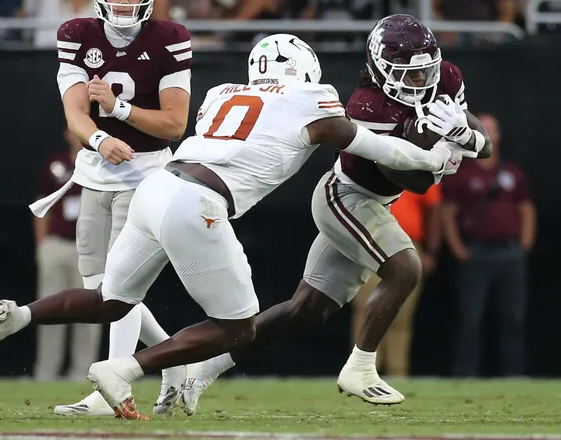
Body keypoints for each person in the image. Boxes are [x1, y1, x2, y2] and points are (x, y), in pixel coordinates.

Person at [0, 32, 459, 419]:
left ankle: (15, 316)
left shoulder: (222, 93)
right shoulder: (313, 98)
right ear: (308, 70)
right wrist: (434, 156)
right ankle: (126, 369)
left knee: (112, 300)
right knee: (237, 327)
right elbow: (377, 148)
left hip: (158, 185)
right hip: (198, 202)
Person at [180, 14, 494, 412]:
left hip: (377, 203)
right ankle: (361, 367)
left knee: (304, 311)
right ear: (381, 69)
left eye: (425, 71)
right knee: (405, 268)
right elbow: (413, 180)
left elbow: (483, 147)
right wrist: (442, 156)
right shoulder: (366, 104)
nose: (421, 82)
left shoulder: (446, 77)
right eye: (407, 74)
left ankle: (202, 369)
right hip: (345, 196)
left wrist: (467, 136)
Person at [27, 0, 193, 415]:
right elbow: (75, 113)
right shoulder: (76, 33)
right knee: (99, 289)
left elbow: (175, 124)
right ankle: (177, 361)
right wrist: (101, 140)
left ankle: (111, 390)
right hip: (94, 172)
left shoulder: (171, 37)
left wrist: (120, 110)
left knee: (120, 286)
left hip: (146, 173)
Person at [443, 113, 535, 377]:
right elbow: (447, 212)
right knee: (471, 317)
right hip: (477, 252)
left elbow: (526, 208)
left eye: (491, 130)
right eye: (481, 129)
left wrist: (525, 243)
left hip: (509, 253)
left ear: (499, 136)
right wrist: (458, 248)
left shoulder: (511, 173)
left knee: (513, 318)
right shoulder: (462, 174)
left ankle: (514, 375)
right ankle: (465, 374)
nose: (487, 134)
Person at [350, 186, 443, 378]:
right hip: (370, 243)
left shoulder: (421, 167)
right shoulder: (365, 164)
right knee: (366, 310)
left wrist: (431, 251)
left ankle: (397, 373)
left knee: (401, 314)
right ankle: (362, 373)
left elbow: (434, 209)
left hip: (407, 244)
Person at [34, 129, 103, 381]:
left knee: (88, 311)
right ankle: (46, 372)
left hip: (89, 248)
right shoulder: (56, 164)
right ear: (67, 132)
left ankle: (82, 373)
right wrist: (42, 243)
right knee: (49, 309)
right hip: (57, 244)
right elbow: (42, 203)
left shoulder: (101, 163)